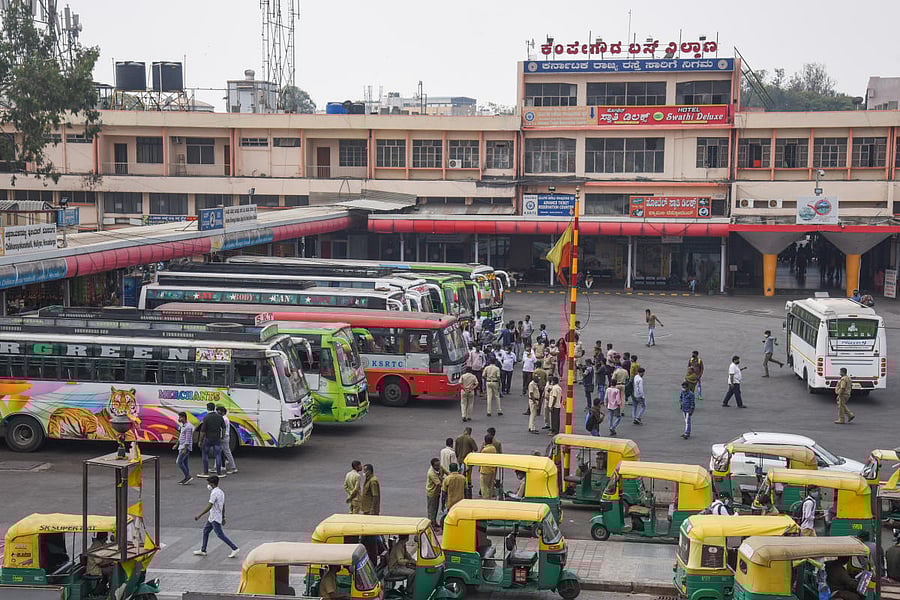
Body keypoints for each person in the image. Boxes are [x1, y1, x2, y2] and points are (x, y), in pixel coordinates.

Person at [193, 475, 240, 558]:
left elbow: (209, 506)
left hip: (215, 517)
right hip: (213, 517)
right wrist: (223, 516)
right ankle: (203, 550)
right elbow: (223, 505)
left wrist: (199, 515)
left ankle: (234, 548)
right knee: (205, 531)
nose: (208, 485)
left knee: (219, 534)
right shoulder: (221, 492)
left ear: (212, 484)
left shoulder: (214, 493)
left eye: (209, 483)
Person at [198, 402, 226, 477]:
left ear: (208, 408)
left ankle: (205, 472)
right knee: (218, 455)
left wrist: (200, 441)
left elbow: (203, 431)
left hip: (208, 439)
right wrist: (222, 437)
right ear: (214, 408)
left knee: (205, 454)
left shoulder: (206, 417)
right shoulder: (220, 417)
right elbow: (224, 428)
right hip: (217, 439)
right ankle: (219, 473)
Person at [455, 427, 478, 493]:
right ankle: (468, 485)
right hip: (467, 460)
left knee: (461, 472)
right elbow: (475, 448)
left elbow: (456, 450)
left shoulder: (458, 438)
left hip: (460, 459)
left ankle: (462, 485)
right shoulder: (470, 438)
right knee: (468, 473)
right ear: (470, 432)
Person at [216, 405, 238, 474]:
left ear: (222, 412)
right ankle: (218, 466)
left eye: (218, 412)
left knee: (226, 452)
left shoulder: (224, 419)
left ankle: (233, 467)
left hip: (224, 437)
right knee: (220, 451)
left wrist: (221, 437)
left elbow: (222, 429)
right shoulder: (224, 418)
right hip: (225, 436)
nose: (217, 413)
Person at [174, 411, 194, 485]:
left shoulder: (188, 427)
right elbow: (181, 437)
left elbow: (188, 439)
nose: (179, 419)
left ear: (184, 417)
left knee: (179, 462)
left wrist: (185, 449)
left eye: (180, 417)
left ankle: (188, 476)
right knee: (185, 463)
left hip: (185, 447)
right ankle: (186, 478)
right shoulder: (183, 426)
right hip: (181, 446)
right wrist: (176, 444)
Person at [426, 458, 443, 526]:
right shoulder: (431, 473)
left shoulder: (440, 467)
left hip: (437, 492)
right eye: (437, 465)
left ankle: (434, 522)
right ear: (433, 466)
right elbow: (439, 484)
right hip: (432, 493)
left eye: (439, 465)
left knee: (436, 508)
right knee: (431, 510)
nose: (439, 467)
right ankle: (431, 525)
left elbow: (447, 472)